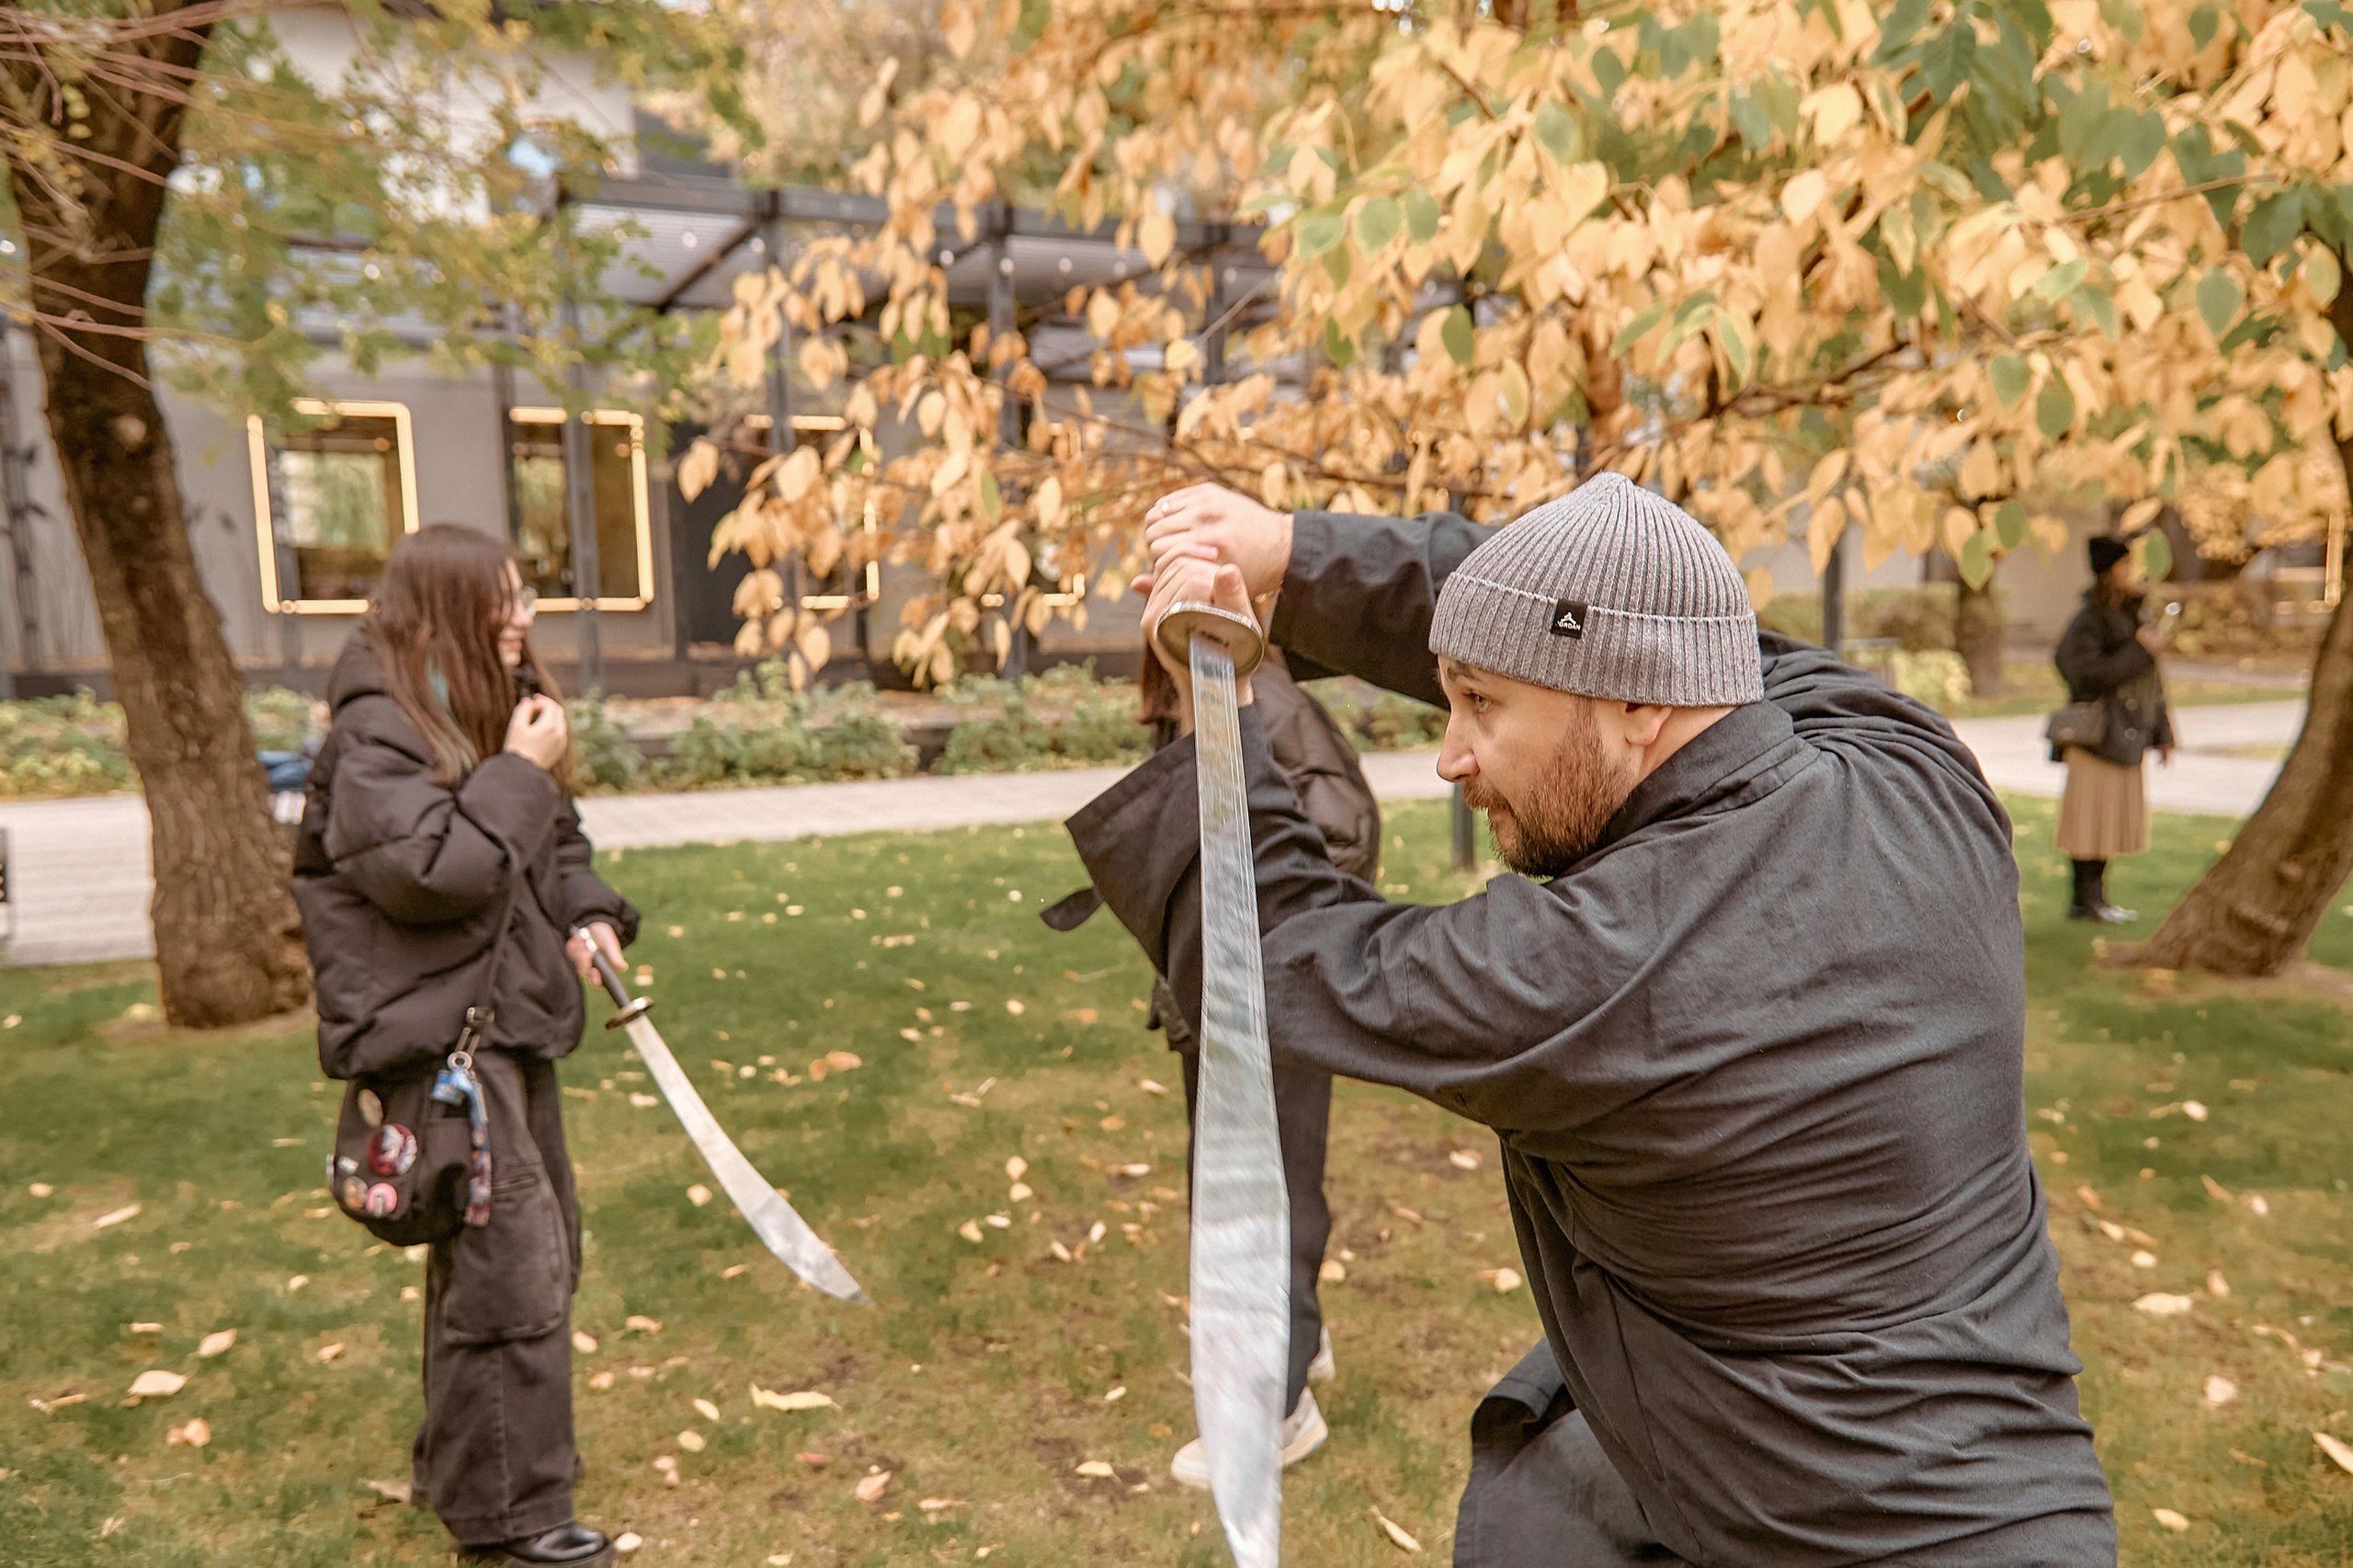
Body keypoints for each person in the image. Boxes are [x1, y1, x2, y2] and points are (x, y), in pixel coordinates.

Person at [1063, 474, 2115, 1565]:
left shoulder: (1594, 970)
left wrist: (1218, 700)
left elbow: (1273, 955)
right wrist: (1292, 551)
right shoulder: (1915, 770)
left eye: (1481, 704)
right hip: (2020, 1502)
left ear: (1638, 705)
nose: (1451, 755)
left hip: (1815, 1530)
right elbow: (1654, 621)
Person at [293, 524, 637, 1568]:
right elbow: (433, 872)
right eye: (505, 599)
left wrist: (588, 911)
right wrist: (521, 769)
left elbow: (550, 839)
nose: (525, 616)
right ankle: (510, 1519)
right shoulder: (377, 734)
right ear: (444, 609)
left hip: (505, 1018)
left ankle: (468, 1465)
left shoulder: (483, 705)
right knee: (511, 1268)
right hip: (439, 1033)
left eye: (525, 595)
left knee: (530, 1249)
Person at [1044, 642, 1380, 1485]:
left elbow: (1346, 831)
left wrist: (1276, 952)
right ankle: (1301, 1341)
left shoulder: (1262, 701)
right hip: (1223, 1000)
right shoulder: (1203, 696)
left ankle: (1277, 1410)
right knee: (1249, 1185)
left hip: (1268, 1003)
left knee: (1262, 1195)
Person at [2052, 535, 2175, 923]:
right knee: (2088, 818)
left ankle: (2097, 899)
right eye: (2123, 565)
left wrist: (2163, 734)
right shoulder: (2089, 619)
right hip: (2097, 736)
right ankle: (2084, 900)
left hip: (2128, 732)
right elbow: (2079, 669)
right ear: (2107, 571)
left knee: (2109, 819)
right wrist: (2139, 650)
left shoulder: (2132, 613)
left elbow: (2150, 682)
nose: (2131, 572)